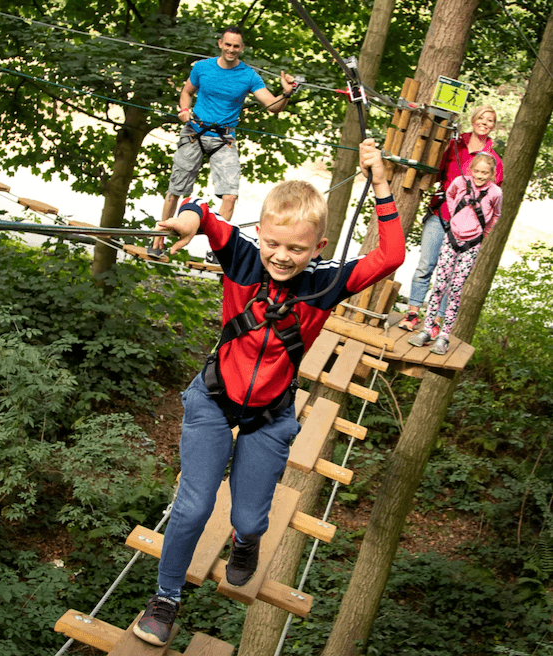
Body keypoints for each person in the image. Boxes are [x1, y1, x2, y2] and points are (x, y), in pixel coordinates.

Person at [133, 139, 405, 647]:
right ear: (259, 232)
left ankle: (245, 540)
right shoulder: (241, 256)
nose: (281, 256)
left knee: (249, 517)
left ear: (318, 247)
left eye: (297, 249)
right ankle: (166, 598)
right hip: (214, 400)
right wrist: (188, 222)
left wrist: (381, 182)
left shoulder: (327, 283)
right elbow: (202, 212)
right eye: (273, 243)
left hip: (269, 414)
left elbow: (391, 255)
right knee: (193, 506)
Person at [161, 25, 297, 223]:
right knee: (175, 190)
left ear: (242, 48)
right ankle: (159, 236)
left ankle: (217, 241)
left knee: (230, 196)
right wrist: (184, 110)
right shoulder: (202, 67)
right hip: (194, 133)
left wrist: (286, 93)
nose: (231, 50)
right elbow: (186, 92)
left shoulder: (249, 76)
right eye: (228, 45)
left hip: (223, 139)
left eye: (236, 46)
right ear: (220, 44)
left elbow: (273, 106)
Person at [398, 105, 503, 333]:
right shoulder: (454, 145)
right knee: (426, 264)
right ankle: (413, 313)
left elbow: (493, 200)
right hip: (441, 213)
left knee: (452, 275)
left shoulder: (493, 160)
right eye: (481, 118)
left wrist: (482, 231)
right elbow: (435, 171)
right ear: (473, 120)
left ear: (493, 126)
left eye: (490, 120)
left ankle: (436, 322)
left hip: (467, 226)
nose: (484, 123)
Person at [408, 153, 501, 355]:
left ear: (491, 173)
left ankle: (444, 336)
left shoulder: (495, 192)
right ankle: (427, 329)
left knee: (455, 289)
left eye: (485, 173)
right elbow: (449, 195)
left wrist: (483, 232)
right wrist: (454, 216)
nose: (480, 176)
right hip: (451, 239)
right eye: (477, 171)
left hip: (471, 245)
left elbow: (496, 214)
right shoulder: (460, 182)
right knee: (439, 285)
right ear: (471, 170)